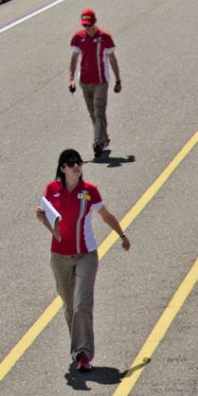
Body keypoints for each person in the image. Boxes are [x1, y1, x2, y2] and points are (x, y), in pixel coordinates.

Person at [37, 149, 131, 371]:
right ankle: (77, 347)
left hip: (86, 254)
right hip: (59, 257)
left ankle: (83, 353)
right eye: (71, 163)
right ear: (62, 168)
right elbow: (51, 222)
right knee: (69, 306)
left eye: (79, 162)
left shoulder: (89, 192)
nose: (77, 166)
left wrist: (122, 235)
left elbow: (106, 215)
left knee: (82, 304)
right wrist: (42, 218)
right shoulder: (52, 190)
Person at [68, 9, 122, 159]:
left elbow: (112, 59)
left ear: (95, 22)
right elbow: (74, 58)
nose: (88, 28)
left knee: (99, 111)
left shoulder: (105, 38)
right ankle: (104, 138)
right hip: (84, 81)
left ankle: (97, 141)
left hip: (101, 81)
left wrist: (118, 80)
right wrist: (71, 78)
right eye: (85, 25)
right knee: (93, 113)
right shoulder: (78, 38)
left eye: (90, 25)